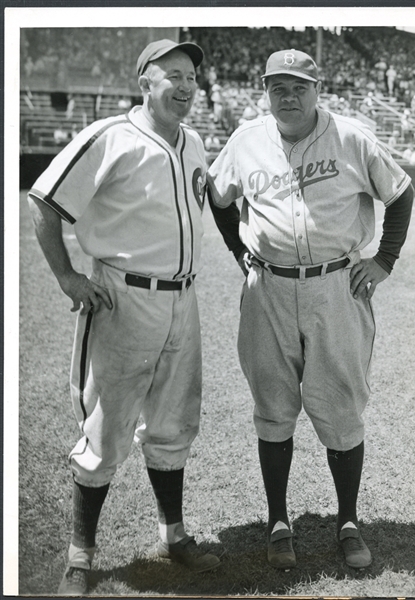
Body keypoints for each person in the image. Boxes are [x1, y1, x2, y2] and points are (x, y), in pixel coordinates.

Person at [207, 48, 414, 571]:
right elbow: (219, 195)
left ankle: (347, 520)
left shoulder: (350, 137)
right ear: (265, 90)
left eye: (299, 86)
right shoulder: (246, 140)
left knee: (341, 407)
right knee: (273, 407)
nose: (288, 96)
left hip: (336, 288)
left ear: (317, 87)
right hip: (269, 292)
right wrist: (238, 251)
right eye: (279, 87)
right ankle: (279, 521)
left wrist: (384, 259)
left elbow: (401, 191)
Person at [27, 38, 220, 596]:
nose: (185, 86)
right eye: (173, 75)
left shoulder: (194, 144)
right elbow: (45, 200)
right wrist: (68, 277)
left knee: (172, 425)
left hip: (183, 300)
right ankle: (80, 555)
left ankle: (172, 536)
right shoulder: (111, 136)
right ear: (145, 82)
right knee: (105, 431)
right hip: (123, 297)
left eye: (191, 77)